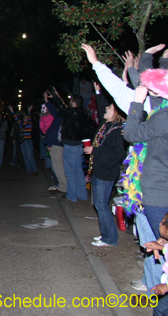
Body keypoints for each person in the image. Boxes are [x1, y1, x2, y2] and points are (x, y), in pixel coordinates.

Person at [124, 69, 168, 240]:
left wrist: (137, 103)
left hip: (159, 193)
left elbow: (130, 134)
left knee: (160, 244)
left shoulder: (163, 118)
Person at [84, 84, 126, 247]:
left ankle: (110, 238)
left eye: (109, 108)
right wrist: (98, 92)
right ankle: (105, 235)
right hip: (99, 170)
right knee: (99, 205)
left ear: (115, 112)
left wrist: (95, 150)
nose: (105, 109)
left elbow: (117, 155)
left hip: (106, 173)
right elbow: (101, 105)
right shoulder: (106, 125)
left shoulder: (118, 131)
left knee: (101, 205)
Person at [51, 88, 90, 202]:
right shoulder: (84, 113)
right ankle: (82, 195)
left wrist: (55, 95)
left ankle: (71, 196)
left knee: (70, 172)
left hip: (71, 145)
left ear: (74, 103)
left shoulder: (74, 113)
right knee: (78, 170)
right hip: (79, 145)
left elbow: (62, 109)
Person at [42, 91, 66, 193]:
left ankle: (63, 187)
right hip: (55, 144)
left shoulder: (64, 116)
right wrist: (48, 101)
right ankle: (62, 185)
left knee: (58, 167)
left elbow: (55, 132)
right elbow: (54, 110)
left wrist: (50, 143)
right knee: (57, 166)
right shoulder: (60, 116)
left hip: (56, 144)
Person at [9, 105, 38, 175]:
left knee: (30, 156)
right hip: (22, 141)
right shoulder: (21, 124)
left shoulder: (29, 124)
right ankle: (28, 170)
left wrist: (29, 111)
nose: (25, 119)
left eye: (26, 118)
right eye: (24, 118)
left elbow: (30, 117)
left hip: (28, 141)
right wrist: (11, 111)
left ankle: (34, 170)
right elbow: (16, 118)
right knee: (25, 156)